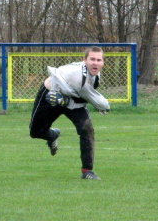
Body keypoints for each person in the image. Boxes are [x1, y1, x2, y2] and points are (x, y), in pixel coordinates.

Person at [29, 46, 110, 180]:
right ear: (84, 60)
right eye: (92, 59)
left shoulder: (95, 76)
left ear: (103, 62)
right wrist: (103, 106)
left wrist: (66, 101)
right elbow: (91, 99)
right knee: (35, 132)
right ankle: (52, 135)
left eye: (99, 60)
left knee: (86, 129)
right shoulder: (78, 75)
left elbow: (83, 98)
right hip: (51, 95)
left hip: (70, 100)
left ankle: (87, 171)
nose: (95, 63)